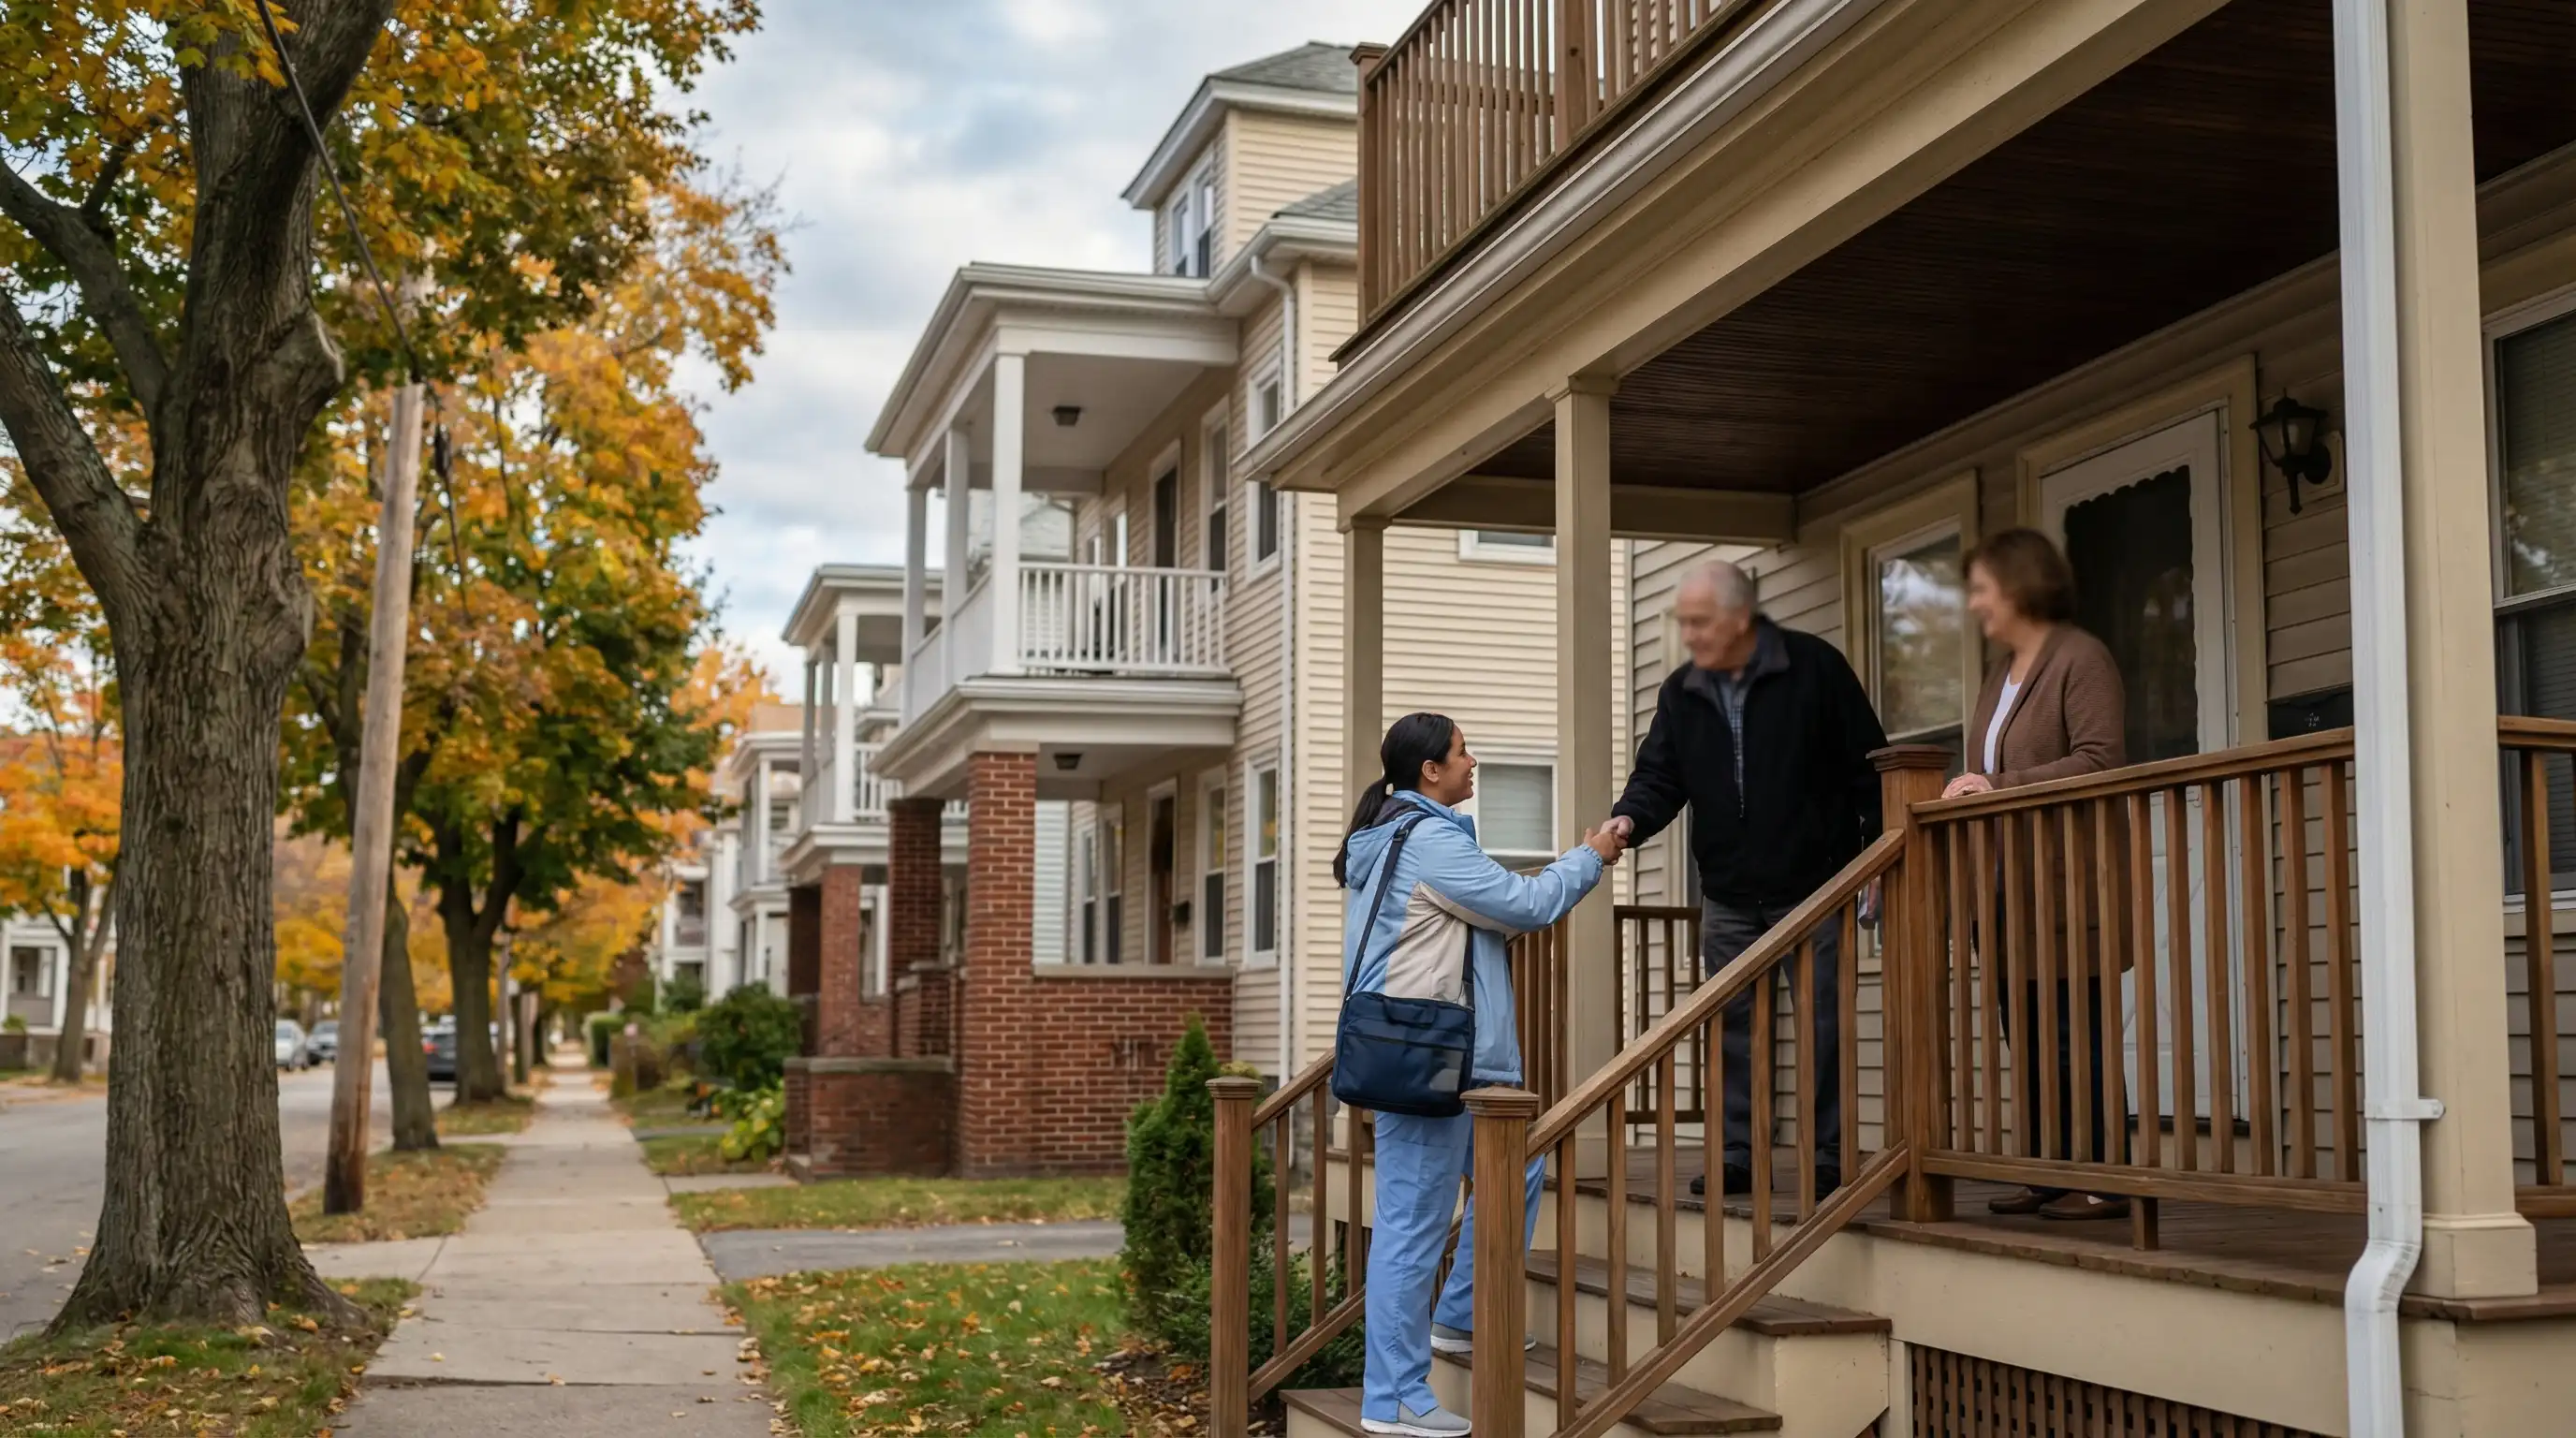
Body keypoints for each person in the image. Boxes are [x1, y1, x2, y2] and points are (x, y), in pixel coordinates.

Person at [1339, 712, 1625, 1438]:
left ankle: (1459, 1320)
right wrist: (1588, 856)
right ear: (1430, 771)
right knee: (1411, 1227)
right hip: (1431, 1064)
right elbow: (1523, 906)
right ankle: (1393, 1398)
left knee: (1517, 1170)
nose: (1473, 762)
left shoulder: (1410, 836)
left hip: (1458, 1062)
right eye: (1463, 752)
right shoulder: (1427, 839)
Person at [1608, 560, 1887, 1199]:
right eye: (1685, 623)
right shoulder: (1683, 691)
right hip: (1730, 891)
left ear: (1740, 617)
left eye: (1700, 623)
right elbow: (1660, 777)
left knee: (1823, 1025)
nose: (1691, 635)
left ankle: (1826, 1155)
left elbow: (1869, 766)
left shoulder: (1814, 668)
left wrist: (1876, 855)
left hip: (1817, 883)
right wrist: (1628, 821)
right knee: (1735, 1027)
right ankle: (1740, 1152)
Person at [1942, 527, 2129, 1221]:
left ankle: (2106, 1180)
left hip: (2064, 880)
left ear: (2020, 587)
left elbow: (2101, 759)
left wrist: (1999, 784)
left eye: (1982, 590)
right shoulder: (2001, 674)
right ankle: (2051, 1171)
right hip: (2002, 885)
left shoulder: (2081, 659)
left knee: (2073, 1032)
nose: (1975, 605)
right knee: (2026, 1031)